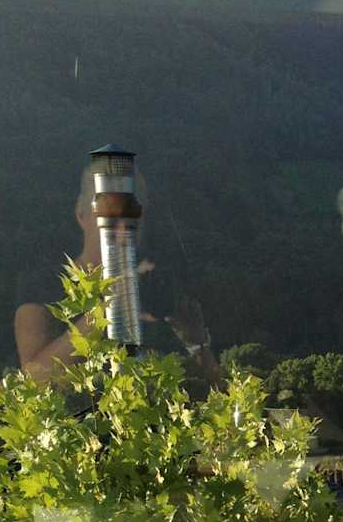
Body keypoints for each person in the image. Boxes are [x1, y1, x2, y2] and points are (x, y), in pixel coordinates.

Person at [14, 162, 220, 389]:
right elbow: (33, 380)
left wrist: (197, 345)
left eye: (132, 215)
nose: (123, 229)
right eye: (110, 215)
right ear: (82, 214)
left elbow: (215, 393)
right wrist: (108, 308)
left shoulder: (156, 288)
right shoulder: (43, 286)